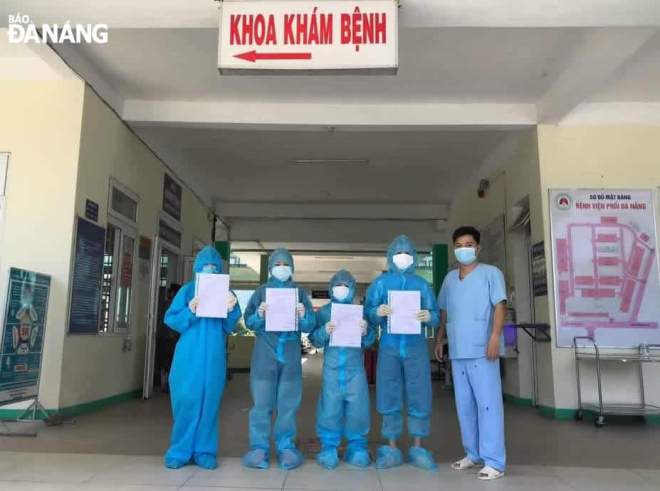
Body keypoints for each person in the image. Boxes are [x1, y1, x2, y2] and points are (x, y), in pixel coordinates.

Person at [435, 226, 507, 481]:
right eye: (459, 245)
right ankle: (473, 453)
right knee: (464, 405)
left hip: (482, 348)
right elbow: (444, 311)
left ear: (477, 247)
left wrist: (495, 337)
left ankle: (494, 461)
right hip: (458, 349)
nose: (463, 249)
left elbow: (499, 305)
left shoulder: (490, 274)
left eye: (468, 244)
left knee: (488, 405)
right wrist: (440, 338)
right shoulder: (450, 279)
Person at [365, 235, 440, 470]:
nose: (403, 256)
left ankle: (418, 446)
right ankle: (392, 447)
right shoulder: (380, 284)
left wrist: (429, 317)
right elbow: (368, 312)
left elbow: (435, 314)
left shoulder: (421, 284)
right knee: (389, 392)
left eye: (407, 252)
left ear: (414, 257)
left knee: (420, 393)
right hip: (389, 346)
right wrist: (378, 311)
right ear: (390, 256)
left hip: (416, 345)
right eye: (398, 252)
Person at [163, 246, 241, 470]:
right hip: (189, 357)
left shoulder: (228, 293)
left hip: (214, 358)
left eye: (215, 267)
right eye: (206, 267)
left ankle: (205, 451)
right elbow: (171, 320)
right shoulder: (188, 291)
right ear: (197, 268)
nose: (210, 270)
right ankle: (179, 450)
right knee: (186, 401)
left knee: (209, 404)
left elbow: (228, 326)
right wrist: (190, 310)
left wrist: (232, 309)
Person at [242, 248, 315, 470]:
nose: (282, 267)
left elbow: (309, 325)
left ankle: (286, 448)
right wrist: (259, 314)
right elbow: (249, 322)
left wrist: (303, 315)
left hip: (291, 353)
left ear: (292, 267)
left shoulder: (299, 293)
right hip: (265, 353)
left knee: (288, 404)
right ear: (271, 266)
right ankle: (258, 449)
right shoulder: (261, 292)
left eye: (286, 264)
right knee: (262, 403)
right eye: (278, 263)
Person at [309, 269, 376, 469]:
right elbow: (313, 339)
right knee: (330, 408)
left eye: (346, 286)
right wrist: (324, 331)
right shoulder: (323, 313)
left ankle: (357, 447)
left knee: (358, 409)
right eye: (338, 286)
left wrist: (366, 331)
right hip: (332, 368)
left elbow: (371, 340)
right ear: (331, 288)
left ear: (352, 288)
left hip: (355, 368)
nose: (342, 289)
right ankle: (328, 448)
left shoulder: (359, 312)